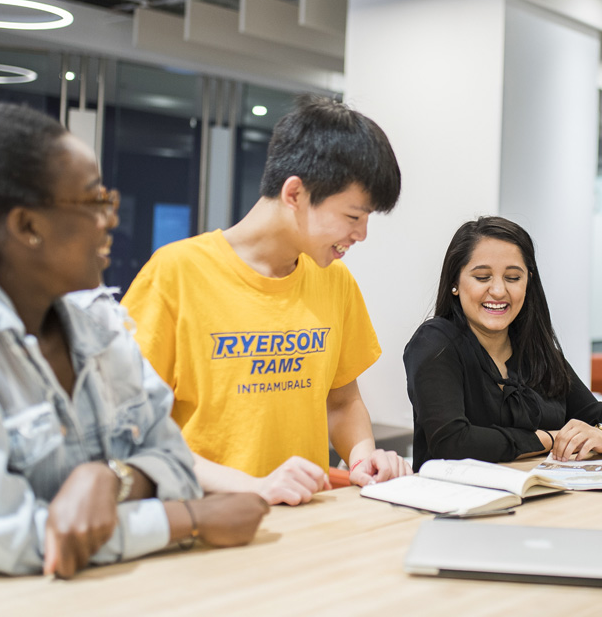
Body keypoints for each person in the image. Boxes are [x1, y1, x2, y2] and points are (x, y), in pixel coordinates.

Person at [0, 57, 268, 579]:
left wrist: (110, 478)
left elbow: (177, 461)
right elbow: (6, 539)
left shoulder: (95, 320)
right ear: (27, 226)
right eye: (95, 199)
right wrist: (187, 518)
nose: (111, 218)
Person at [122, 95, 411, 506]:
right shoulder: (175, 274)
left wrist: (363, 456)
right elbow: (132, 429)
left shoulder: (335, 281)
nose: (361, 234)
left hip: (304, 520)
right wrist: (251, 487)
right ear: (295, 193)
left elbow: (342, 402)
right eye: (353, 216)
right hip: (204, 519)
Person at [404, 216, 602, 471]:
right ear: (454, 284)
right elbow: (453, 443)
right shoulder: (434, 342)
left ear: (528, 283)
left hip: (546, 498)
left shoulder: (540, 353)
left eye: (513, 278)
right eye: (482, 277)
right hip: (455, 503)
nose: (498, 290)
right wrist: (551, 438)